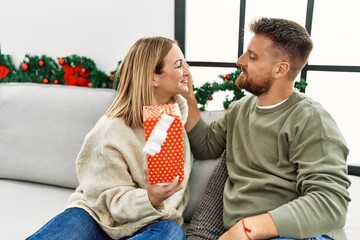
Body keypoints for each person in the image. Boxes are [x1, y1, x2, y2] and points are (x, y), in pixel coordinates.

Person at [183, 17, 351, 240]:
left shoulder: (310, 119)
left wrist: (246, 229)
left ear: (280, 69)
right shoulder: (239, 110)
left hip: (300, 235)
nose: (240, 61)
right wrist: (186, 94)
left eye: (252, 57)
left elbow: (331, 203)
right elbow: (206, 146)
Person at [27, 36, 192, 240]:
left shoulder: (174, 122)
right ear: (153, 77)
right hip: (98, 217)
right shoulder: (111, 131)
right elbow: (106, 200)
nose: (187, 71)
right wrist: (148, 198)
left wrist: (157, 200)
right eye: (178, 65)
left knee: (171, 233)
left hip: (152, 222)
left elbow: (173, 197)